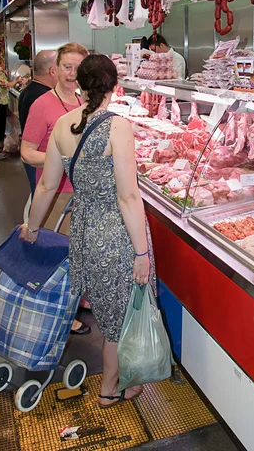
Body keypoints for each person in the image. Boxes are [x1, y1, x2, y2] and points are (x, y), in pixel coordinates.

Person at [20, 54, 154, 407]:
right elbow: (127, 196)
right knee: (119, 317)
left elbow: (47, 186)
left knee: (107, 310)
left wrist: (32, 227)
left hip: (82, 230)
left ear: (78, 84)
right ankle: (111, 388)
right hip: (117, 235)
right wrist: (141, 253)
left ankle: (116, 378)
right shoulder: (117, 126)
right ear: (114, 87)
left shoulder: (63, 125)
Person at [21, 42, 90, 336]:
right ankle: (60, 316)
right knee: (57, 257)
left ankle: (75, 300)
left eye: (78, 68)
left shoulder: (84, 102)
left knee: (78, 253)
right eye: (67, 67)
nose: (72, 74)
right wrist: (59, 160)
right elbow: (26, 152)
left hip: (82, 193)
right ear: (55, 69)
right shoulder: (42, 105)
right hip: (55, 194)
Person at [18, 50, 59, 193]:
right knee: (39, 199)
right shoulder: (43, 97)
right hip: (39, 161)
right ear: (53, 71)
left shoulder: (29, 91)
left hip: (37, 160)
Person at [0, 57, 20, 148]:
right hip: (2, 101)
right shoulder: (0, 74)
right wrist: (16, 80)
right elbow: (6, 85)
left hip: (2, 100)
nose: (4, 64)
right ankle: (0, 140)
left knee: (1, 120)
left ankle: (0, 138)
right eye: (3, 62)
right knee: (1, 121)